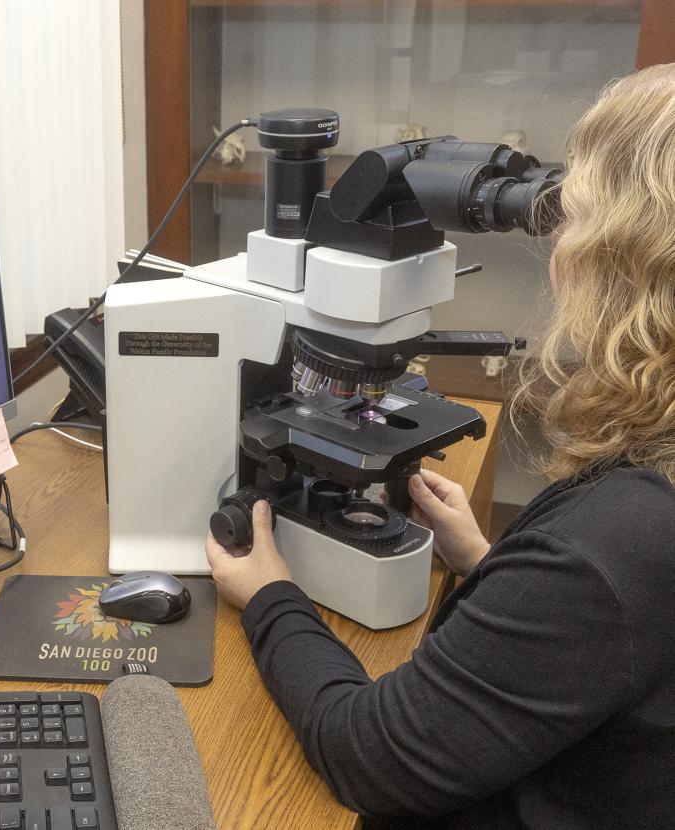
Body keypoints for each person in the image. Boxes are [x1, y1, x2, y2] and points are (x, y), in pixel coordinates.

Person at [207, 63, 675, 829]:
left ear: (632, 259)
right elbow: (621, 645)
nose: (556, 240)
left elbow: (371, 757)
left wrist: (267, 596)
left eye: (575, 212)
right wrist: (497, 571)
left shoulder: (619, 542)